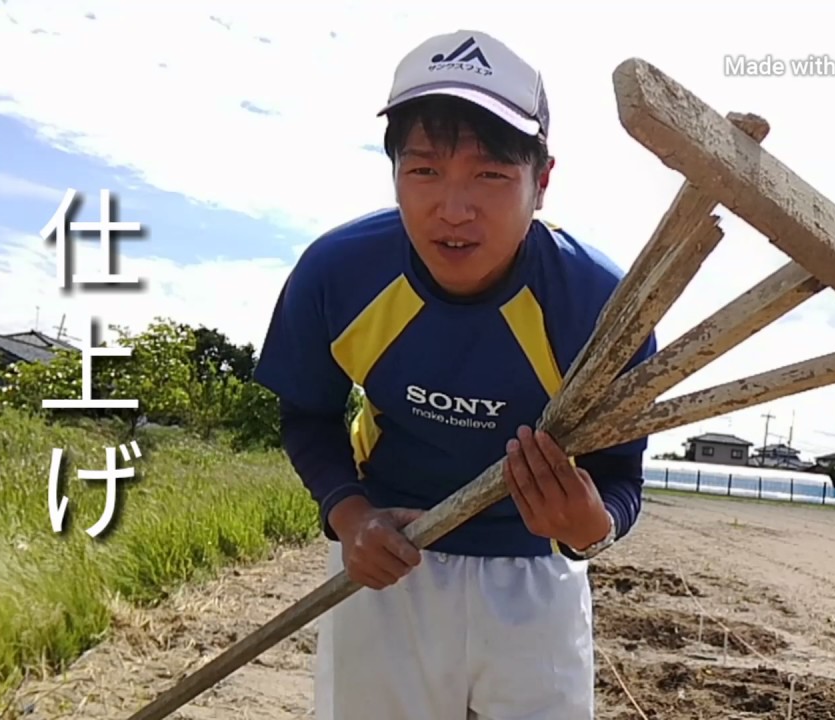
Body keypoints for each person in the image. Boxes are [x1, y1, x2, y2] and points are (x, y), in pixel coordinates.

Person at [252, 28, 655, 720]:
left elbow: (621, 475)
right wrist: (350, 517)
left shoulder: (603, 310)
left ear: (542, 182)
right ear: (394, 175)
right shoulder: (338, 274)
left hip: (537, 575)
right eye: (425, 171)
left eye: (491, 175)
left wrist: (589, 528)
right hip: (387, 566)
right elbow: (307, 414)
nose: (454, 208)